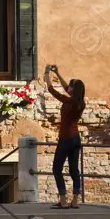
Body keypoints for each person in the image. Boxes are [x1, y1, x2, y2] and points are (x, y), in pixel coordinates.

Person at [44, 64, 86, 209]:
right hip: (76, 139)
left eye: (71, 86)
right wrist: (58, 73)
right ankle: (75, 200)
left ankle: (63, 200)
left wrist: (46, 73)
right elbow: (65, 88)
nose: (68, 87)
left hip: (66, 139)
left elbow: (51, 90)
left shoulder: (69, 101)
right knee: (74, 170)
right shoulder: (79, 102)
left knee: (56, 169)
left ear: (75, 90)